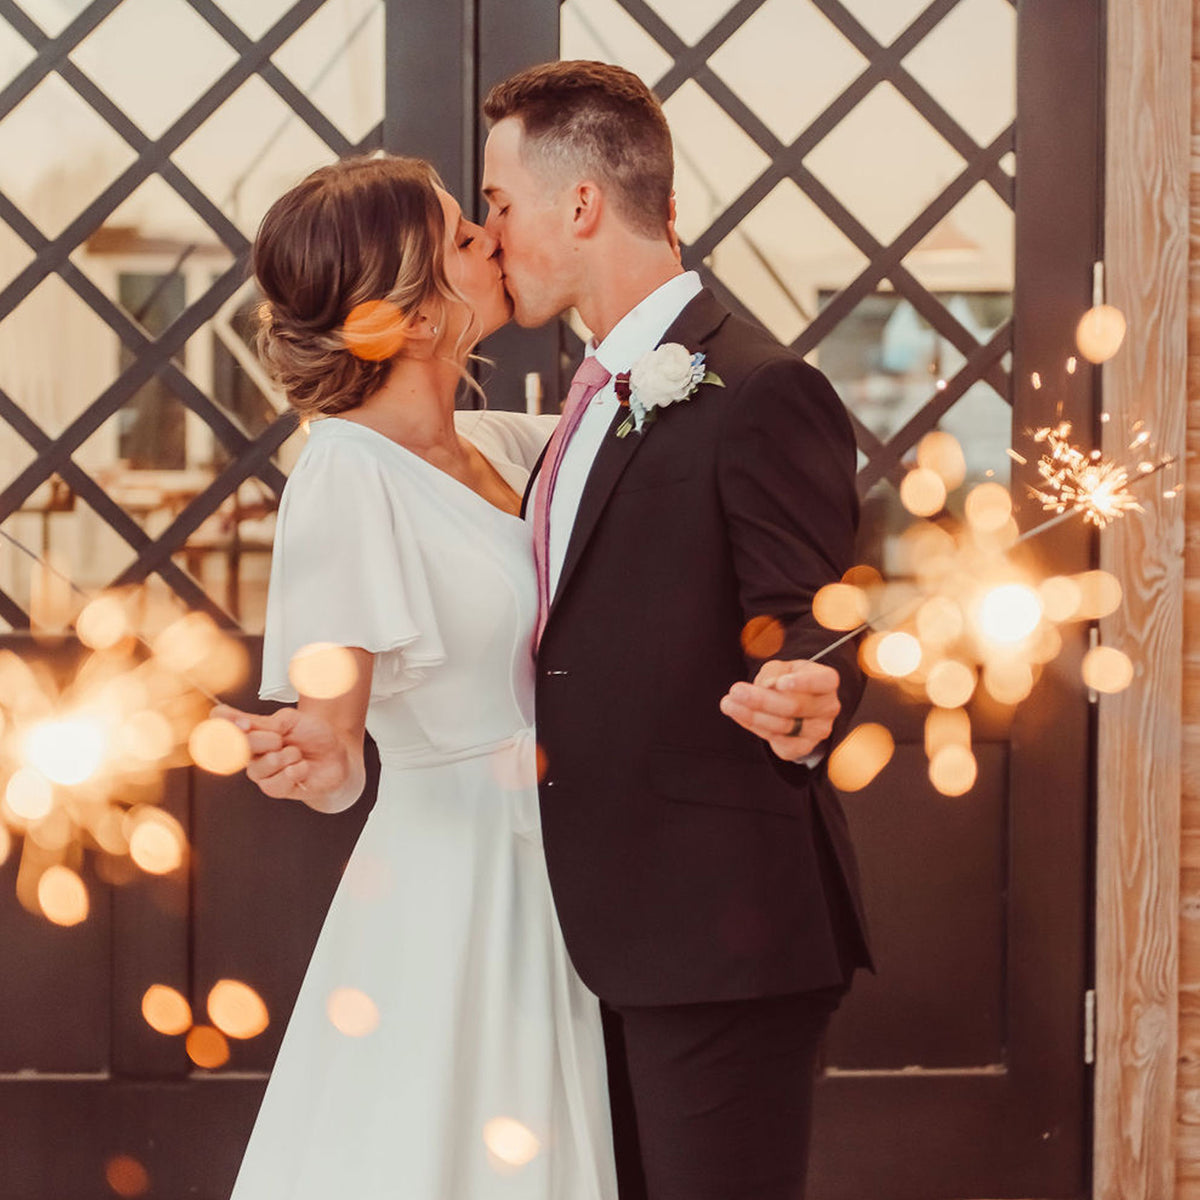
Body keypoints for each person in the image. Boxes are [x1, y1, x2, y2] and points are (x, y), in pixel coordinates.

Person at [478, 60, 873, 1200]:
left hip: (719, 934)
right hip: (589, 926)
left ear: (582, 204)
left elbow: (814, 616)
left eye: (501, 205)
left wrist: (813, 696)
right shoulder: (584, 396)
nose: (492, 234)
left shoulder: (759, 388)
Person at [214, 155, 618, 1199]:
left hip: (580, 864)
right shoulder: (345, 471)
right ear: (409, 311)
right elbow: (337, 741)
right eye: (460, 236)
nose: (490, 238)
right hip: (459, 883)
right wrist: (306, 751)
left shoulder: (523, 444)